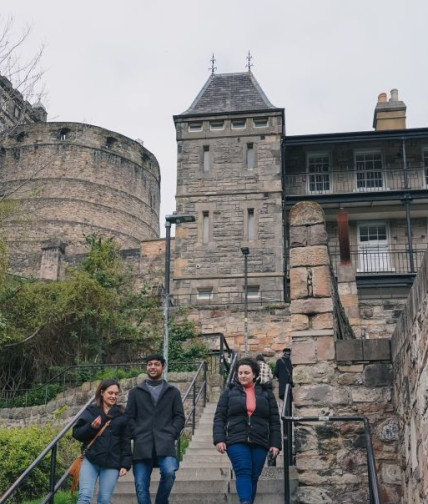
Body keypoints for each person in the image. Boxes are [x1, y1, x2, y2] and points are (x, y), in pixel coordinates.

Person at [213, 357, 281, 504]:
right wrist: (219, 439)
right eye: (240, 372)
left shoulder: (266, 393)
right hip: (236, 439)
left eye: (246, 373)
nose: (243, 375)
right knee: (243, 471)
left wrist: (275, 443)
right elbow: (219, 417)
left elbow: (274, 421)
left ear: (254, 375)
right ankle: (245, 501)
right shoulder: (229, 392)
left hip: (260, 440)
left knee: (254, 476)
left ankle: (247, 501)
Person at [125, 354, 185, 504]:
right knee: (140, 485)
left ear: (162, 367)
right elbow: (129, 417)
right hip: (142, 444)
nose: (152, 367)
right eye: (150, 364)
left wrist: (172, 433)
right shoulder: (135, 392)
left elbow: (179, 417)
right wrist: (137, 432)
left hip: (165, 443)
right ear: (146, 367)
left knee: (170, 472)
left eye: (156, 364)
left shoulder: (173, 392)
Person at [72, 378, 131, 504]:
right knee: (84, 496)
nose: (113, 396)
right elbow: (76, 434)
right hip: (91, 459)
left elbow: (125, 440)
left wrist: (125, 464)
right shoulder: (91, 411)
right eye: (110, 393)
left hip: (112, 462)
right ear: (102, 392)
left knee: (104, 500)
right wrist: (91, 427)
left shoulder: (122, 414)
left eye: (116, 393)